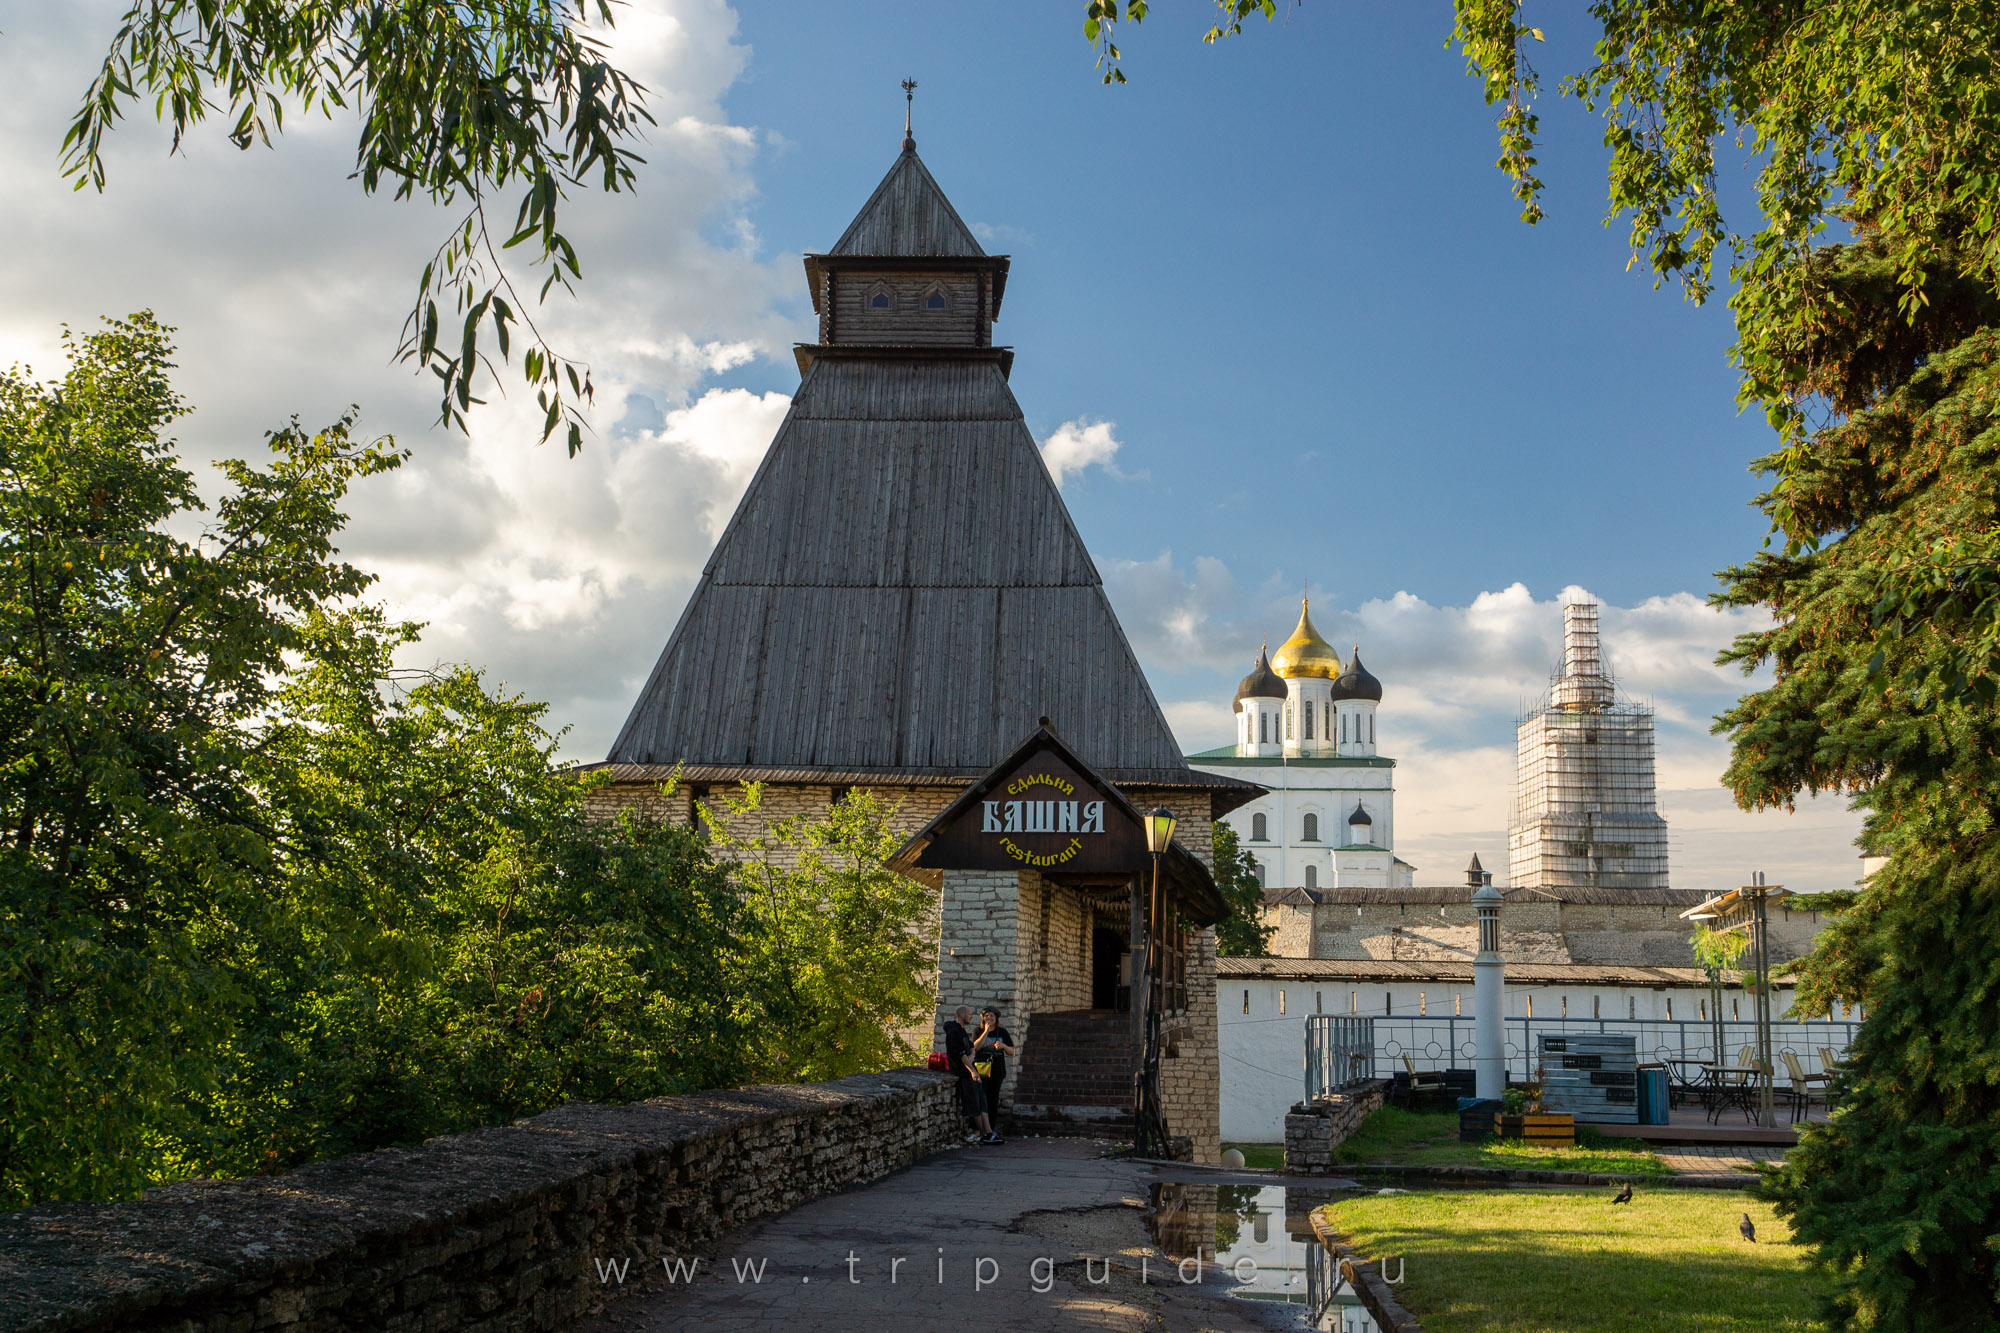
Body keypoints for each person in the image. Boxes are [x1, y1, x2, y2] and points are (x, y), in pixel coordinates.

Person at [943, 1004, 1002, 1145]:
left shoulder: (962, 1031)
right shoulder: (954, 1033)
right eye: (969, 1014)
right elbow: (961, 1055)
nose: (971, 1016)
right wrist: (972, 1070)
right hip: (964, 1073)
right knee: (974, 1105)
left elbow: (971, 1047)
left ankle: (988, 1132)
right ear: (962, 1015)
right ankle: (983, 1134)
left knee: (982, 1102)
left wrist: (972, 1055)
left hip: (971, 1072)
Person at [974, 1008, 1016, 1129]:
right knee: (982, 1097)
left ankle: (991, 1127)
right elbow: (975, 1048)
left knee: (993, 1099)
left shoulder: (1002, 1032)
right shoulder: (978, 1031)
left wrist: (1003, 1046)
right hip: (982, 1069)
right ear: (983, 1018)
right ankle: (980, 1128)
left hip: (997, 1070)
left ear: (996, 1018)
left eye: (992, 1016)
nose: (989, 1018)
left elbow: (1012, 1051)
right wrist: (986, 1032)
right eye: (987, 1016)